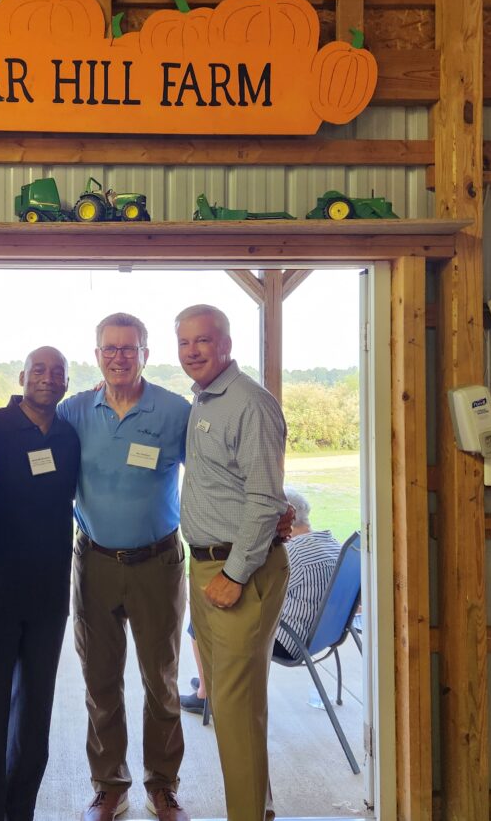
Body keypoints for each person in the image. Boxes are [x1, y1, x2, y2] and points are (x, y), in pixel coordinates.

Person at [0, 312, 192, 821]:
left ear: (145, 353)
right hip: (93, 562)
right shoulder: (75, 410)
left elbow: (206, 476)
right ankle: (109, 784)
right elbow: (30, 411)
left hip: (158, 562)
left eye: (129, 348)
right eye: (109, 349)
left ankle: (163, 783)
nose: (119, 357)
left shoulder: (175, 411)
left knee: (160, 679)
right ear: (96, 357)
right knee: (100, 680)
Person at [0, 346, 81, 821]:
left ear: (67, 383)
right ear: (22, 376)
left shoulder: (70, 435)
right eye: (39, 370)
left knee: (34, 722)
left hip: (49, 596)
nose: (48, 378)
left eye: (58, 373)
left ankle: (19, 811)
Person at [177, 304, 290, 821]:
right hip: (207, 567)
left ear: (226, 343)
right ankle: (256, 812)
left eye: (204, 340)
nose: (193, 351)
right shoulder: (203, 401)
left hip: (237, 572)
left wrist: (234, 573)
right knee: (230, 707)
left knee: (238, 713)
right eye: (185, 342)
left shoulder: (249, 403)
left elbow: (266, 499)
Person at [180, 488, 320, 712]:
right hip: (319, 635)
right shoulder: (330, 544)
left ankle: (206, 691)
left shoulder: (291, 556)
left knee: (200, 622)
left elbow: (265, 591)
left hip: (287, 638)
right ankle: (211, 681)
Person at [272, 489, 341, 660]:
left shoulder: (292, 553)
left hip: (289, 641)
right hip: (324, 637)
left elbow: (261, 595)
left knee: (205, 621)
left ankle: (207, 687)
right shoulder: (334, 545)